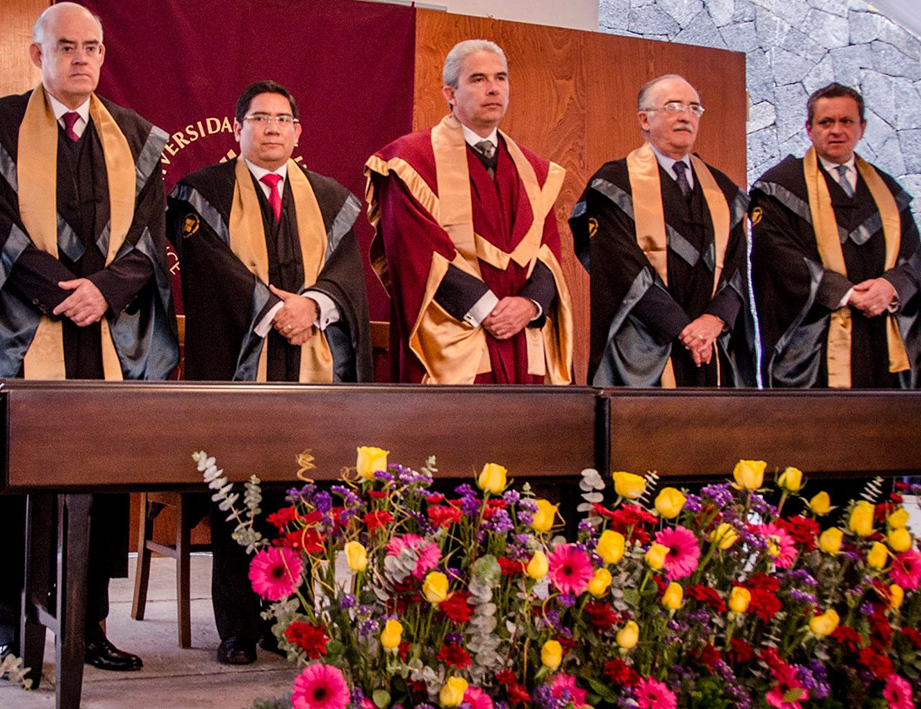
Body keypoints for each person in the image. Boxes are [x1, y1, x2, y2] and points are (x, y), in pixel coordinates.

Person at [0, 2, 178, 671]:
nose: (81, 58)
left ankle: (88, 622)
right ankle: (15, 617)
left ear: (104, 55)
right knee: (22, 480)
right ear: (36, 54)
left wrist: (105, 290)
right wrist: (64, 293)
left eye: (92, 47)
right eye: (66, 46)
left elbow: (147, 243)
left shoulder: (136, 138)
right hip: (20, 337)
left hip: (102, 339)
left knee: (97, 485)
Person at [167, 80, 372, 664]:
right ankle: (236, 627)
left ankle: (296, 620)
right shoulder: (200, 192)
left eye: (283, 118)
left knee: (301, 492)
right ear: (239, 128)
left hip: (311, 362)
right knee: (238, 490)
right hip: (238, 363)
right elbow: (210, 272)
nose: (273, 128)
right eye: (260, 118)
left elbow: (347, 274)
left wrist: (313, 305)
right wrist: (273, 308)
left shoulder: (330, 198)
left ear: (298, 132)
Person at [365, 40, 573, 384]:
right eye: (478, 79)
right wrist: (487, 309)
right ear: (450, 93)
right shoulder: (410, 162)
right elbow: (415, 251)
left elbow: (549, 251)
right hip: (454, 335)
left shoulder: (535, 170)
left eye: (500, 78)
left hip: (522, 336)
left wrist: (530, 305)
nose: (493, 88)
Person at [570, 75, 755, 387]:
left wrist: (713, 321)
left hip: (712, 345)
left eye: (694, 108)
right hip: (646, 345)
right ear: (644, 119)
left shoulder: (725, 191)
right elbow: (620, 268)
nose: (685, 115)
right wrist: (683, 329)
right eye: (673, 106)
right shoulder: (615, 186)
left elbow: (737, 268)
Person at [750, 82, 921, 388]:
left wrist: (890, 287)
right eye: (826, 122)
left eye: (846, 121)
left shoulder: (888, 191)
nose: (836, 130)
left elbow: (912, 255)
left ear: (861, 128)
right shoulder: (780, 188)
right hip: (816, 344)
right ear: (809, 129)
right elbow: (777, 257)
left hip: (881, 336)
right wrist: (846, 294)